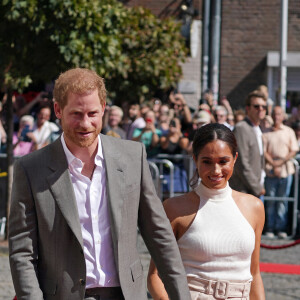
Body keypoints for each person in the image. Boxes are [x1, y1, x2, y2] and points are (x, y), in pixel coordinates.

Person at [9, 68, 190, 300]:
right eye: (76, 114)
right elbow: (23, 252)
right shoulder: (31, 168)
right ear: (58, 110)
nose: (85, 124)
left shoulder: (133, 157)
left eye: (92, 113)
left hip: (126, 294)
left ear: (103, 108)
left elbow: (159, 235)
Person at [147, 123, 265, 300]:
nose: (216, 170)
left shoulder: (254, 207)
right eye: (207, 162)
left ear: (235, 158)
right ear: (195, 159)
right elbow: (154, 275)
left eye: (223, 161)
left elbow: (254, 273)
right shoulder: (175, 208)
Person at [263, 106, 299, 238]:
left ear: (283, 116)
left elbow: (293, 150)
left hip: (285, 171)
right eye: (274, 114)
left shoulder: (289, 131)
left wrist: (280, 162)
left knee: (283, 200)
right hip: (270, 171)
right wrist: (273, 164)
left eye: (278, 114)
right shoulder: (266, 132)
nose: (276, 117)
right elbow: (264, 150)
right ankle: (270, 228)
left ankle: (281, 228)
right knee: (271, 200)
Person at [230, 90, 267, 198]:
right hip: (244, 190)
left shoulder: (257, 129)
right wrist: (257, 188)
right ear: (248, 108)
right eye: (256, 106)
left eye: (263, 107)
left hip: (254, 190)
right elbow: (242, 163)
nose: (260, 109)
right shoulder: (242, 128)